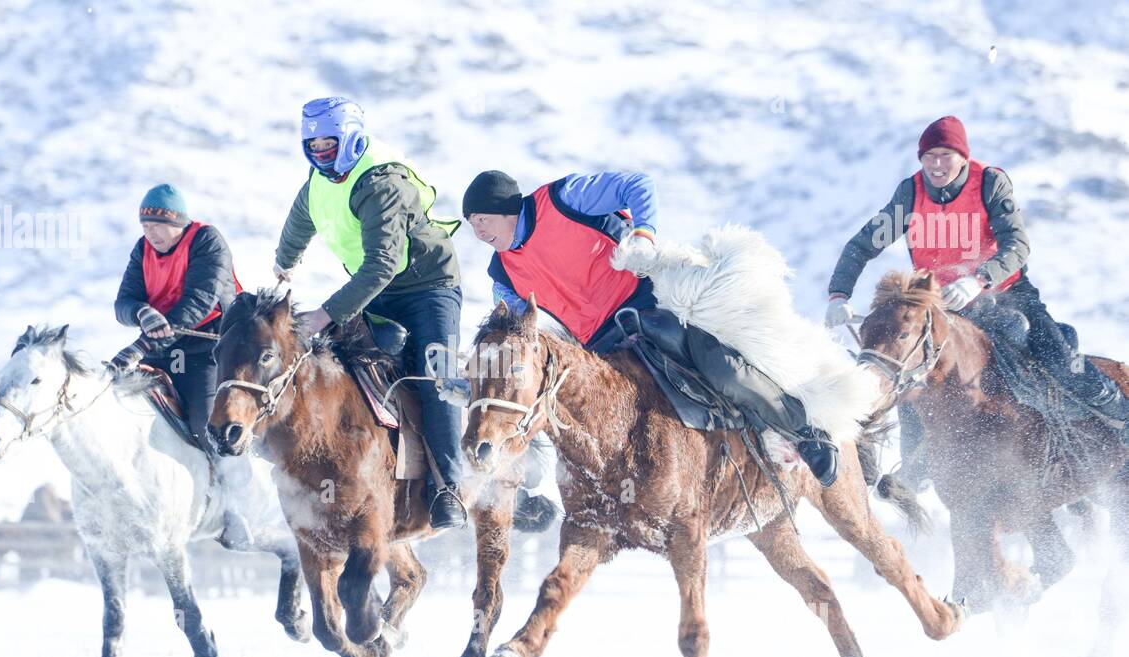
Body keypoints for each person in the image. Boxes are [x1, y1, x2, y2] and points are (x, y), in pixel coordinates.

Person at [463, 169, 839, 485]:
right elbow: (515, 335)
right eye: (472, 225)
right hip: (597, 345)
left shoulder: (564, 198)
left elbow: (637, 184)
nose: (478, 231)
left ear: (506, 208)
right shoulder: (501, 273)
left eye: (482, 219)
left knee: (718, 365)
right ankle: (533, 490)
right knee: (560, 410)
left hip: (648, 303)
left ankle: (806, 434)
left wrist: (644, 234)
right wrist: (476, 380)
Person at [825, 116, 1129, 481]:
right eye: (929, 156)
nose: (937, 164)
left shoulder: (989, 184)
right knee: (908, 368)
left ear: (963, 157)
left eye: (946, 155)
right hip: (940, 306)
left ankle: (1117, 414)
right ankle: (915, 468)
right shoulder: (911, 195)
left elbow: (1017, 245)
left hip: (1005, 295)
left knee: (1057, 357)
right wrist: (838, 294)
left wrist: (979, 279)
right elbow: (861, 246)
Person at [273, 96, 467, 528]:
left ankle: (447, 488)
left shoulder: (382, 182)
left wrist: (326, 314)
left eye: (329, 143)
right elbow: (303, 214)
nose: (321, 152)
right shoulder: (321, 178)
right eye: (313, 145)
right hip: (377, 288)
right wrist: (285, 260)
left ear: (351, 137)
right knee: (344, 365)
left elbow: (382, 264)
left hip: (427, 287)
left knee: (435, 376)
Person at [110, 184, 255, 546]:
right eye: (145, 226)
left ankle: (237, 508)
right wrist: (140, 311)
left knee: (210, 424)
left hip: (208, 347)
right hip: (161, 349)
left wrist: (140, 345)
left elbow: (198, 304)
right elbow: (122, 303)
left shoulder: (207, 241)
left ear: (178, 223)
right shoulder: (142, 250)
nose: (150, 233)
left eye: (158, 226)